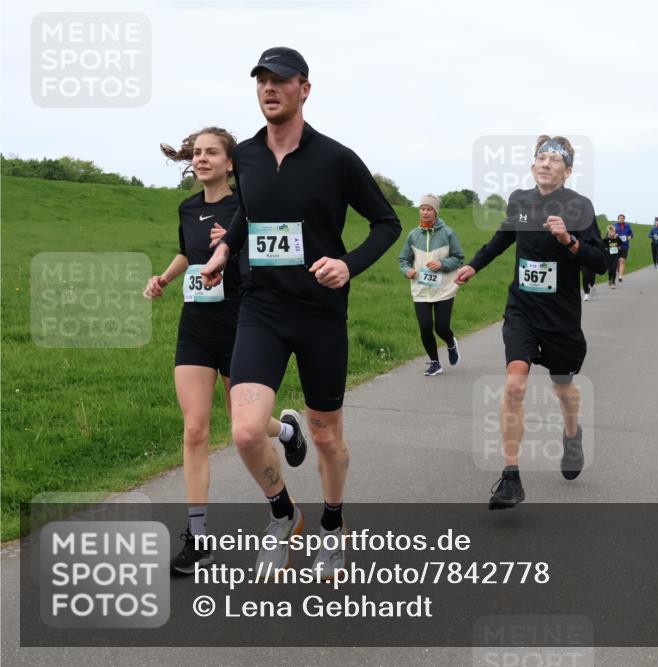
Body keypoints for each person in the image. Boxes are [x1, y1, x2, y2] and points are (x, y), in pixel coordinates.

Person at [200, 47, 401, 576]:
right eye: (262, 80)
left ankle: (333, 525)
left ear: (304, 89)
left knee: (327, 436)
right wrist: (224, 252)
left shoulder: (336, 158)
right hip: (261, 307)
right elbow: (248, 212)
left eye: (280, 80)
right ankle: (283, 513)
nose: (269, 88)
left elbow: (386, 222)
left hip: (319, 312)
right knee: (246, 431)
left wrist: (348, 264)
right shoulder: (245, 155)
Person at [146, 127, 307, 575]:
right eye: (196, 153)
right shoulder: (188, 207)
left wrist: (235, 242)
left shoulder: (245, 207)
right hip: (196, 326)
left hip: (242, 323)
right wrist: (164, 278)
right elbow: (188, 253)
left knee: (244, 423)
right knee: (195, 430)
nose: (201, 159)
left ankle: (286, 439)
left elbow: (271, 256)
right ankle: (199, 540)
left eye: (211, 152)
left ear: (230, 163)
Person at [455, 135, 607, 509]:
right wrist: (474, 265)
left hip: (561, 317)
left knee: (563, 388)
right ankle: (511, 478)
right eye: (541, 158)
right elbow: (503, 237)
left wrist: (569, 240)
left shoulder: (580, 207)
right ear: (532, 165)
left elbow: (601, 262)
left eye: (555, 160)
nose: (546, 164)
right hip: (522, 309)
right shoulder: (520, 201)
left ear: (567, 171)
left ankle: (572, 434)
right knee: (514, 385)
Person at [399, 194, 465, 375]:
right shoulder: (413, 235)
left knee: (441, 327)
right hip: (421, 289)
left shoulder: (448, 233)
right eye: (422, 209)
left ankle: (450, 343)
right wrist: (407, 271)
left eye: (429, 209)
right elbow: (403, 260)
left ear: (436, 212)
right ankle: (435, 362)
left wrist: (442, 264)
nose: (425, 212)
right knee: (425, 327)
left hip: (444, 288)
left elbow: (459, 258)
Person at [612, 214, 633, 281]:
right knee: (617, 261)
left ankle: (620, 276)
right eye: (620, 218)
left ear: (624, 219)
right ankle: (618, 270)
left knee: (622, 260)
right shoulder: (614, 226)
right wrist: (614, 235)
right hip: (616, 246)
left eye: (622, 218)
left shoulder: (628, 226)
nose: (621, 219)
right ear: (618, 219)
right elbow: (610, 234)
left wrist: (630, 236)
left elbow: (631, 233)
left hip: (625, 245)